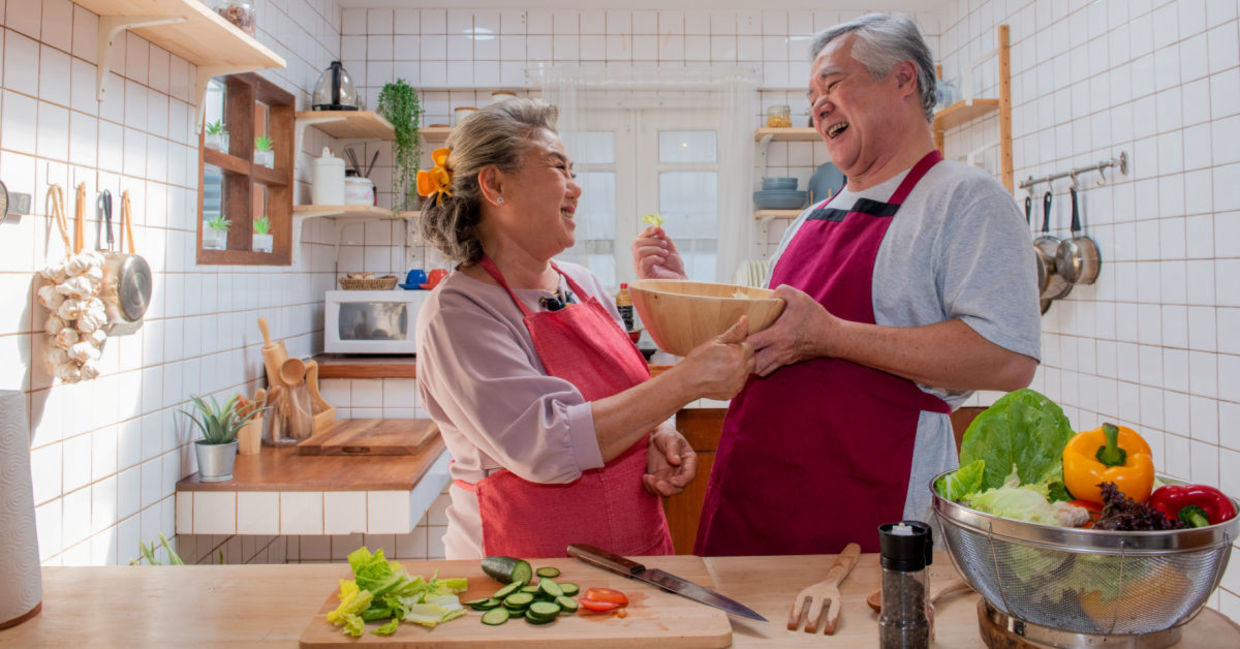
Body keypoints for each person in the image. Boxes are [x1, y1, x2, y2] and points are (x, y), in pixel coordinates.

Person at [633, 13, 1041, 555]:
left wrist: (831, 337)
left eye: (833, 84)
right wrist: (682, 297)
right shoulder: (811, 217)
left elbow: (1008, 359)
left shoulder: (964, 199)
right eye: (812, 96)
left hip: (869, 509)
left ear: (903, 79)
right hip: (752, 499)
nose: (818, 106)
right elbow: (766, 339)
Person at [416, 98, 755, 560]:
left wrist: (659, 434)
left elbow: (628, 394)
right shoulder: (459, 311)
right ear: (494, 184)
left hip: (636, 558)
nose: (576, 187)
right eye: (559, 167)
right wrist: (687, 380)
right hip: (527, 573)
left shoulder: (582, 283)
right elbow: (546, 445)